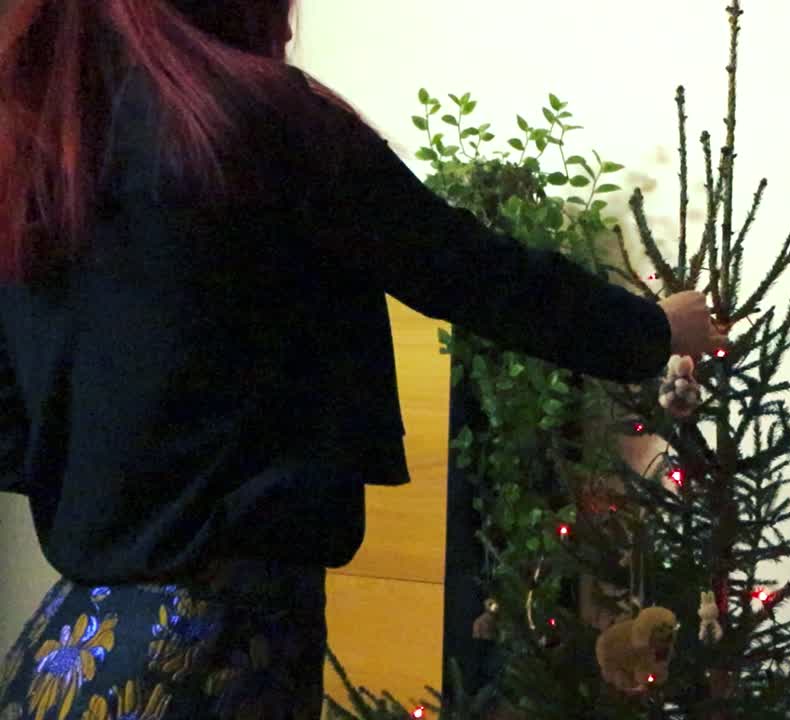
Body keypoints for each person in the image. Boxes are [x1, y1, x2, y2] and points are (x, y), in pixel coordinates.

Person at [0, 1, 727, 717]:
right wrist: (653, 330)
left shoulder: (48, 141)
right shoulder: (256, 118)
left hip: (72, 646)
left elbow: (10, 423)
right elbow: (466, 268)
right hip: (214, 646)